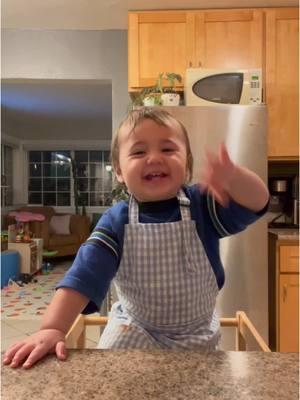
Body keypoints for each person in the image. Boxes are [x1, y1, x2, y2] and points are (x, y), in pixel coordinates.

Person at [3, 108, 269, 369]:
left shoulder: (203, 205)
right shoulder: (116, 221)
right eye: (139, 152)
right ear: (119, 171)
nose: (154, 158)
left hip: (196, 335)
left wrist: (235, 178)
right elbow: (83, 277)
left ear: (186, 164)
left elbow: (258, 202)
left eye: (167, 149)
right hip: (134, 330)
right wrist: (53, 328)